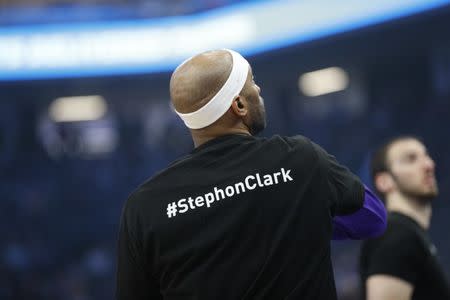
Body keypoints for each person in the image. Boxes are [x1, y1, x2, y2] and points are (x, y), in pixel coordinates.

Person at [116, 49, 386, 300]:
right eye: (252, 82)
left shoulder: (144, 206)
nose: (258, 89)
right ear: (239, 105)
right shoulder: (300, 159)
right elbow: (373, 218)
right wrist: (305, 223)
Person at [359, 136, 450, 299]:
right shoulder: (395, 233)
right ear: (385, 181)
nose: (429, 165)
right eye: (411, 159)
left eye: (426, 156)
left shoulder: (409, 235)